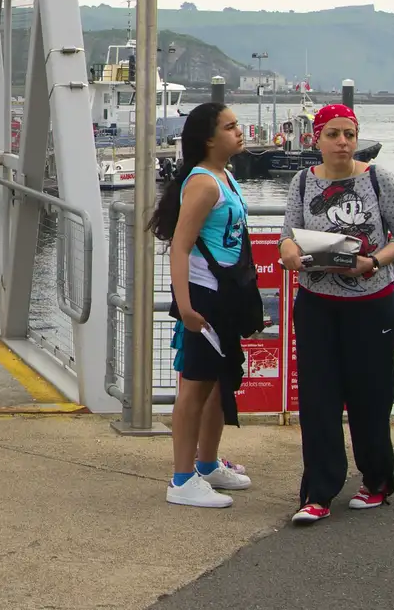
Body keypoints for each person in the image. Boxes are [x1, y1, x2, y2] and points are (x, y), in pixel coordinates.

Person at [279, 103, 394, 526]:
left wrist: (373, 261)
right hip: (318, 304)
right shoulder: (302, 182)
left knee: (370, 396)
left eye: (349, 134)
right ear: (316, 139)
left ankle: (376, 481)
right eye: (333, 134)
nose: (342, 142)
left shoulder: (378, 179)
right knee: (318, 400)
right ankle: (318, 492)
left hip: (371, 302)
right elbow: (288, 238)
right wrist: (290, 258)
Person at [148, 101, 253, 508]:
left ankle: (207, 464)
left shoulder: (224, 176)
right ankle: (181, 478)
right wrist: (186, 307)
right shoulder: (204, 183)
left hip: (223, 297)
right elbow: (180, 246)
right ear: (209, 139)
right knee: (194, 387)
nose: (239, 131)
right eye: (230, 127)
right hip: (203, 297)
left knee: (216, 384)